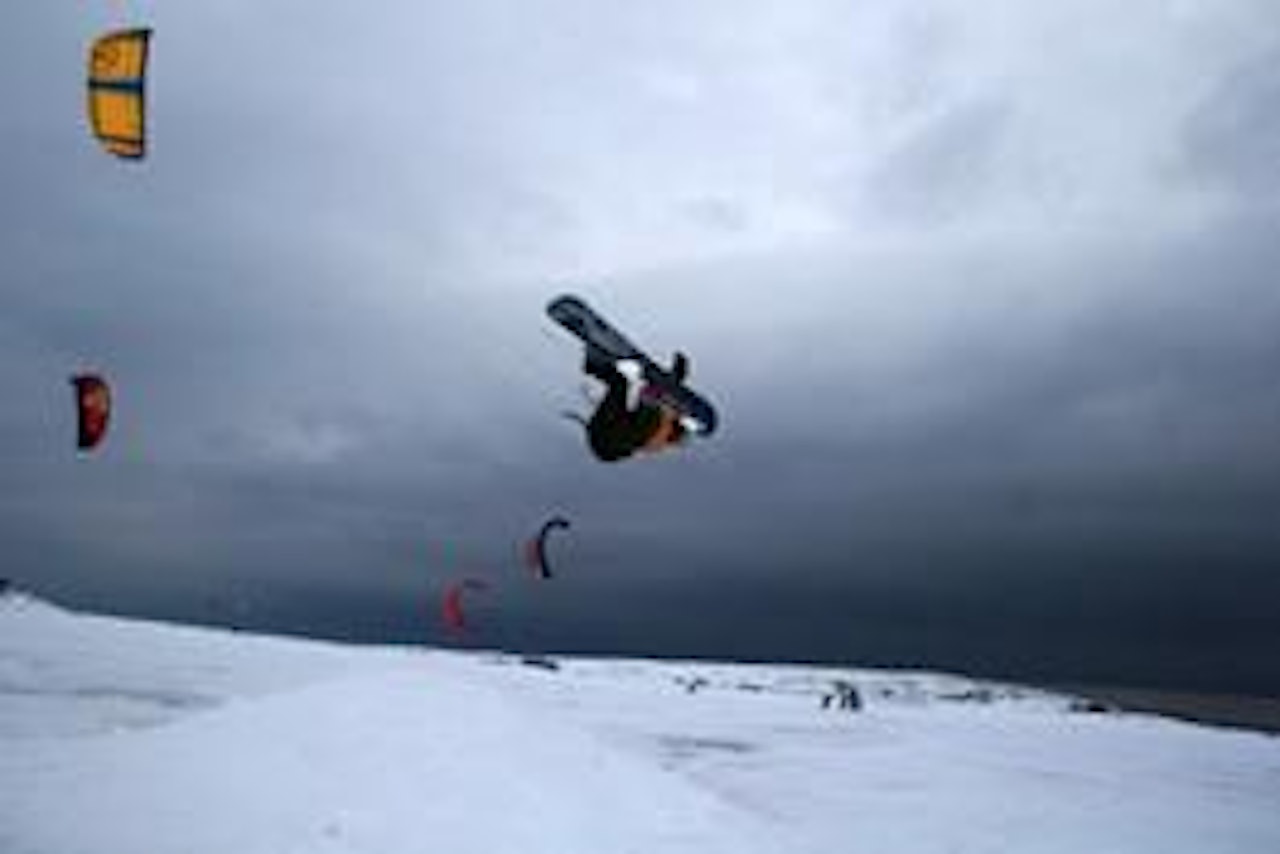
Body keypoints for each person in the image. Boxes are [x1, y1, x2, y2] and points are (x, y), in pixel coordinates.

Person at [576, 348, 692, 463]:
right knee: (620, 384)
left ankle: (595, 366)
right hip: (602, 437)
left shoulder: (659, 434)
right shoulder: (653, 437)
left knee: (627, 390)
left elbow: (661, 403)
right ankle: (594, 366)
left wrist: (678, 374)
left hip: (608, 439)